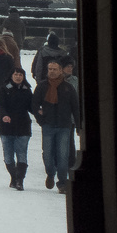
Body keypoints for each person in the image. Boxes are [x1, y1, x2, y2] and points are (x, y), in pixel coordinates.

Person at [32, 58, 81, 191]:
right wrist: (40, 119)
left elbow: (75, 107)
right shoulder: (42, 86)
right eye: (50, 69)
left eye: (55, 69)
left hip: (64, 125)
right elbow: (34, 104)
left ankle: (62, 182)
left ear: (61, 71)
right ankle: (50, 174)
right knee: (47, 154)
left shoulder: (68, 87)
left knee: (63, 154)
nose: (52, 72)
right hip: (47, 125)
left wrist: (78, 125)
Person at [0, 66, 33, 189]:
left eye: (20, 75)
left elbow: (31, 107)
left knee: (22, 154)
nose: (18, 77)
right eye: (16, 74)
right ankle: (14, 176)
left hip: (23, 126)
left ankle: (20, 180)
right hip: (7, 127)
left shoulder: (27, 90)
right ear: (11, 76)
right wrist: (4, 115)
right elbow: (0, 105)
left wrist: (40, 111)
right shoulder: (4, 89)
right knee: (8, 155)